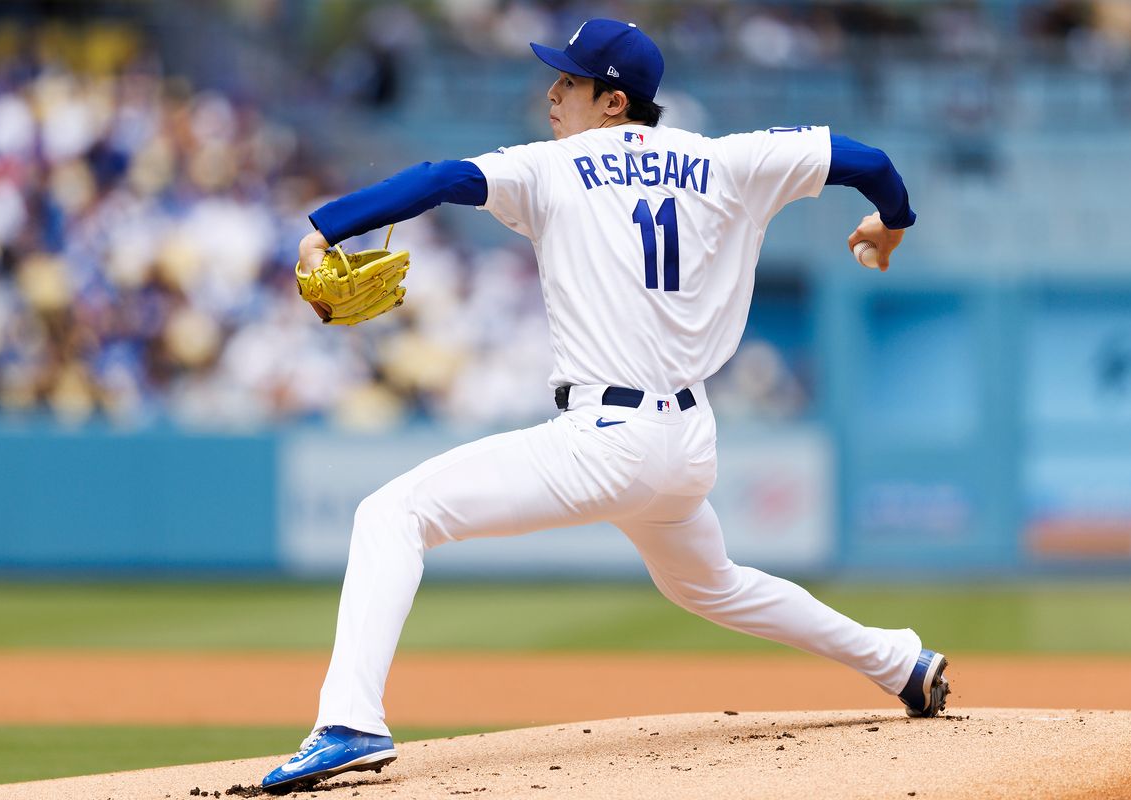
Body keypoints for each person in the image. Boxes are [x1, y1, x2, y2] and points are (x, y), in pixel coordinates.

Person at [260, 18, 947, 794]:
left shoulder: (553, 167)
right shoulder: (727, 158)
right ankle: (899, 661)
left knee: (392, 514)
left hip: (606, 441)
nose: (552, 93)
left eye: (569, 82)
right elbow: (872, 162)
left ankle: (350, 723)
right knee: (708, 584)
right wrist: (891, 228)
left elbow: (440, 177)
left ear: (613, 101)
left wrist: (325, 227)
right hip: (687, 444)